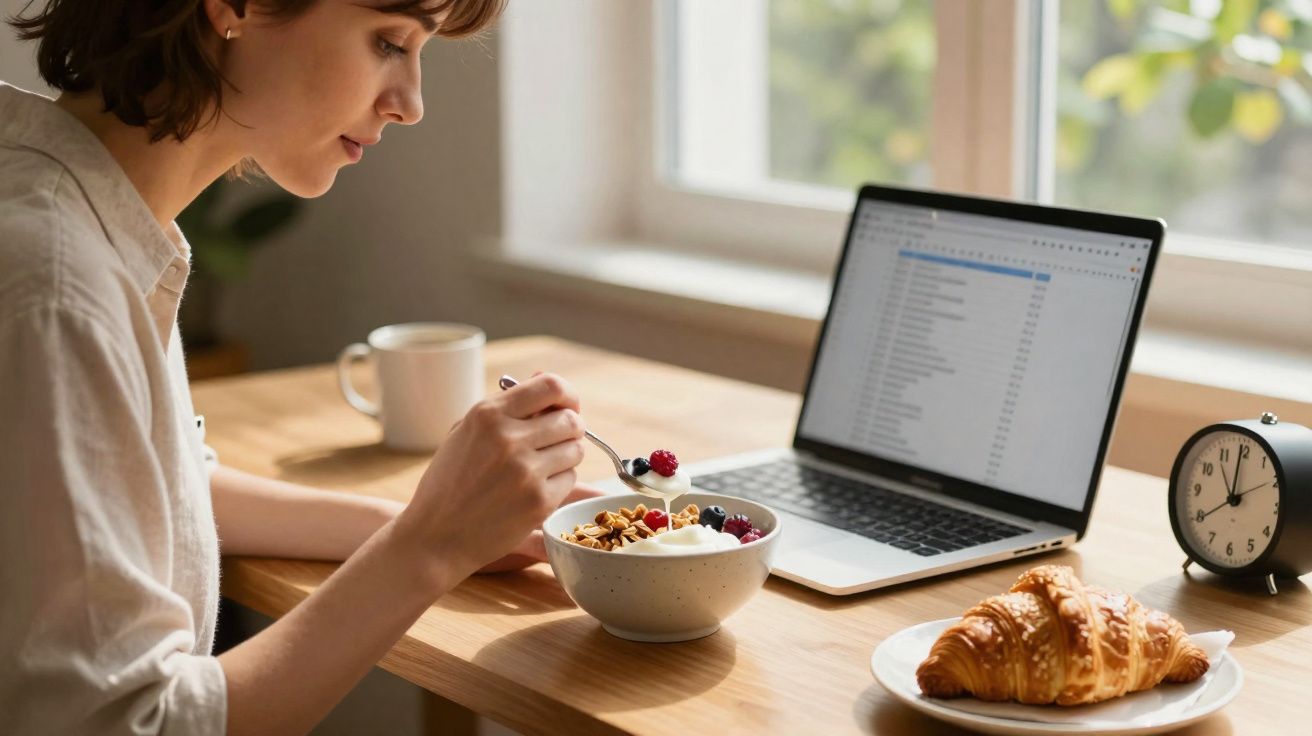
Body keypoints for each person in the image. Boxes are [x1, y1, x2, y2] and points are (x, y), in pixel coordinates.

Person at [0, 1, 601, 733]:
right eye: (389, 42)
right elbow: (132, 723)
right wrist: (430, 546)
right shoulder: (60, 285)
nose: (410, 103)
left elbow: (159, 485)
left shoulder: (78, 212)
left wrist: (444, 522)